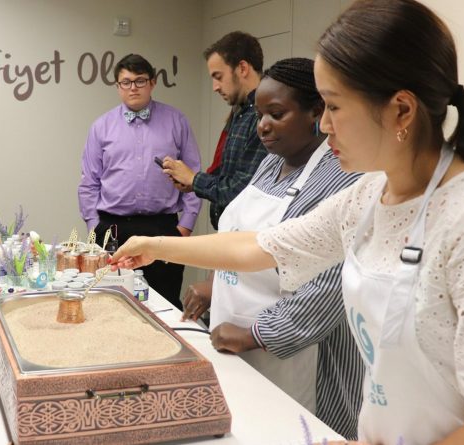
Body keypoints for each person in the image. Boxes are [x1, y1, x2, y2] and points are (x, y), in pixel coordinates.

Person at [111, 1, 464, 443]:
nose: (324, 125)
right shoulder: (370, 194)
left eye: (334, 107)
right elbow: (261, 246)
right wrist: (154, 246)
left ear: (401, 110)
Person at [181, 58, 363, 438]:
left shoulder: (343, 176)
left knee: (294, 430)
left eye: (276, 114)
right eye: (260, 114)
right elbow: (241, 238)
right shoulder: (270, 164)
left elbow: (331, 281)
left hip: (297, 349)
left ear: (316, 111)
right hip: (232, 335)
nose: (262, 126)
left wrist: (257, 335)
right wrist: (216, 286)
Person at [78, 53, 201, 309]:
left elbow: (194, 176)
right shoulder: (101, 127)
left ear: (152, 83)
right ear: (118, 86)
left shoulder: (176, 121)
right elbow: (89, 181)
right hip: (112, 229)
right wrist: (94, 226)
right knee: (110, 304)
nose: (133, 87)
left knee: (165, 303)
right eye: (126, 82)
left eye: (140, 80)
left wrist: (185, 226)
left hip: (163, 227)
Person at [162, 31, 267, 230]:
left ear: (242, 68)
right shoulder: (241, 112)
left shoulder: (263, 116)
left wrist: (195, 179)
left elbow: (242, 190)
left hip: (247, 236)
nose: (215, 87)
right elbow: (227, 176)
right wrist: (191, 183)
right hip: (230, 232)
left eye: (218, 77)